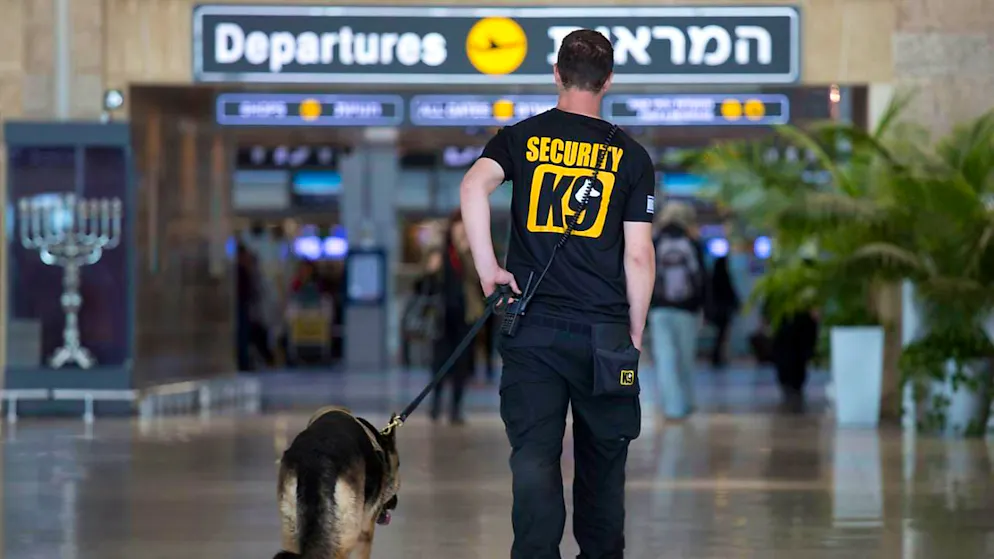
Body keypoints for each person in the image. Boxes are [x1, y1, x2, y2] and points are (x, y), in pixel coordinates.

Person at [459, 29, 656, 559]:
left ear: (556, 73)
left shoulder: (520, 138)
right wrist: (634, 330)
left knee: (535, 460)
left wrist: (488, 270)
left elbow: (473, 186)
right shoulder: (632, 157)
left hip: (533, 330)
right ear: (608, 80)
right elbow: (638, 255)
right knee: (604, 465)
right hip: (603, 332)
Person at [648, 201, 706, 420]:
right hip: (687, 310)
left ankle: (672, 407)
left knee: (665, 358)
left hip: (660, 309)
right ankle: (687, 402)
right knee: (685, 357)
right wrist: (702, 307)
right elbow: (702, 280)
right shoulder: (693, 243)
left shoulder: (655, 241)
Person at [429, 212, 476, 425]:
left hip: (465, 314)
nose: (461, 230)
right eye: (458, 225)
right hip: (441, 314)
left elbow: (478, 277)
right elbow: (426, 275)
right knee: (439, 360)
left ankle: (456, 408)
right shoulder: (440, 250)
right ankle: (435, 405)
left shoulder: (474, 249)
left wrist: (466, 250)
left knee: (462, 362)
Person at [705, 255, 740, 369]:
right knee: (721, 336)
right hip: (724, 311)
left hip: (717, 311)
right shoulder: (724, 277)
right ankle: (717, 357)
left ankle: (717, 356)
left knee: (719, 336)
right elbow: (730, 293)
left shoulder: (713, 278)